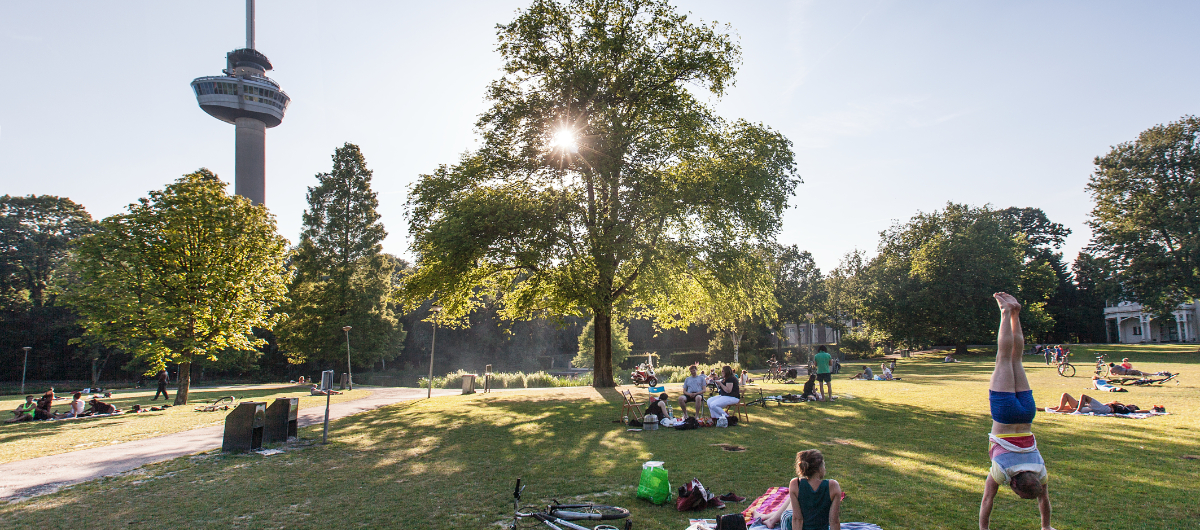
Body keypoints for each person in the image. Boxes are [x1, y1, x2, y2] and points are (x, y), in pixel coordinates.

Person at [979, 292, 1052, 530]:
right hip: (1005, 415)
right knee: (1003, 359)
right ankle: (1005, 312)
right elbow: (987, 500)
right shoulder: (1002, 473)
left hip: (1027, 415)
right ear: (1014, 486)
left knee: (1017, 359)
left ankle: (1016, 313)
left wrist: (1046, 526)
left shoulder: (1040, 473)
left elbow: (1045, 499)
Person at [757, 449, 843, 530]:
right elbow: (834, 521)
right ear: (820, 468)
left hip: (792, 523)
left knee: (793, 501)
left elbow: (797, 519)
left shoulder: (795, 483)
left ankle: (769, 518)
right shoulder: (833, 486)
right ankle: (770, 518)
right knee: (794, 500)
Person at [1046, 393, 1112, 414]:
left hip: (1084, 406)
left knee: (1069, 407)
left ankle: (1058, 410)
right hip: (1084, 405)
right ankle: (1042, 409)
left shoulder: (1104, 408)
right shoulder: (1102, 406)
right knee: (1065, 400)